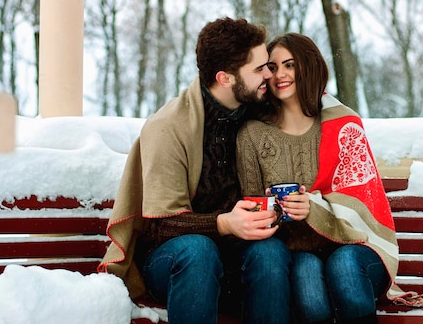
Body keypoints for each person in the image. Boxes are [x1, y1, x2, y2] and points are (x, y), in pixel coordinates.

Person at [98, 17, 292, 324]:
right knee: (198, 251)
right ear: (225, 78)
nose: (270, 74)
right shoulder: (168, 128)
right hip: (174, 265)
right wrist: (225, 224)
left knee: (270, 254)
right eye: (259, 69)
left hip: (236, 261)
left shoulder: (260, 114)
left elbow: (313, 104)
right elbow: (160, 225)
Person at [236, 33, 423, 324]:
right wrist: (277, 211)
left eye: (290, 65)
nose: (280, 75)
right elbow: (253, 206)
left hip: (355, 247)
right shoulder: (252, 134)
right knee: (308, 286)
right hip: (298, 250)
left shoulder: (343, 125)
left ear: (309, 67)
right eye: (273, 67)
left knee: (344, 268)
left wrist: (313, 208)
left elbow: (362, 202)